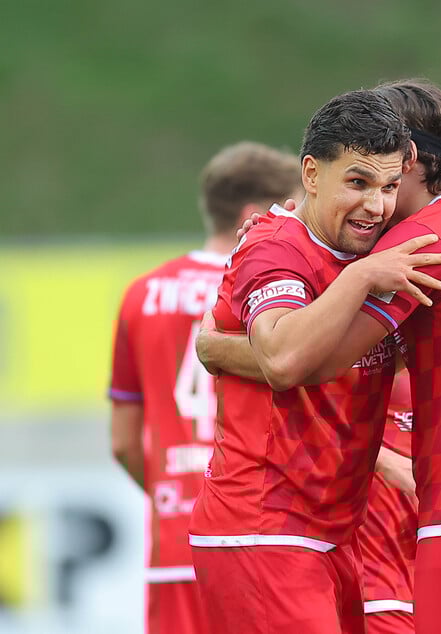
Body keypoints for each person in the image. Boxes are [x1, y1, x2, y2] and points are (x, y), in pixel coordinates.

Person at [199, 79, 441, 634]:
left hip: (334, 532)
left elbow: (367, 359)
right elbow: (286, 359)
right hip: (266, 524)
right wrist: (364, 274)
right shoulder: (284, 245)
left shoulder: (391, 249)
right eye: (359, 181)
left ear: (409, 163)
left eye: (387, 184)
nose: (375, 204)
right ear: (312, 175)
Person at [108, 141, 302, 634]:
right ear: (255, 214)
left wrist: (175, 495)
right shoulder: (274, 287)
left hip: (175, 539)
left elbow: (124, 442)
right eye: (293, 207)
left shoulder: (142, 292)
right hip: (263, 525)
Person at [357, 370, 417, 634]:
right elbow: (310, 418)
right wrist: (380, 459)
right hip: (379, 583)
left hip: (436, 574)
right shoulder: (369, 339)